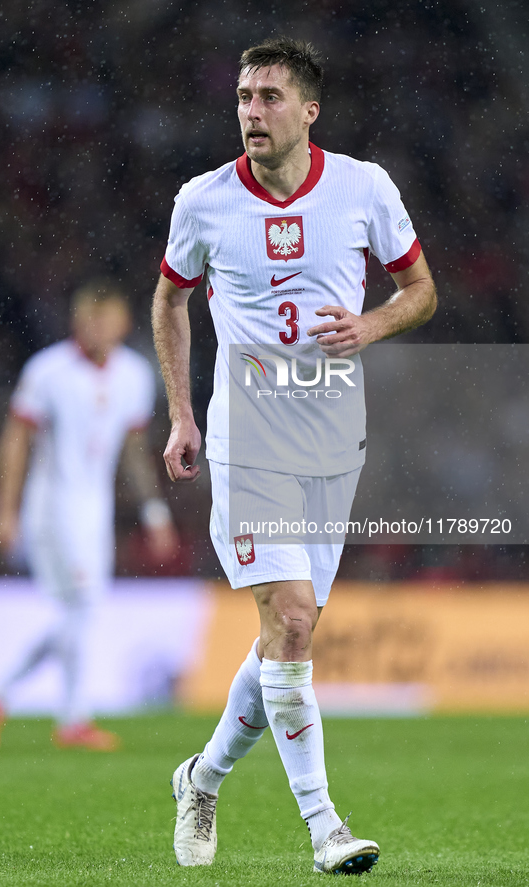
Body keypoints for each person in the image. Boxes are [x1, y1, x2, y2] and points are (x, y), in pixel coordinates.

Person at [152, 37, 436, 875]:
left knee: (285, 637)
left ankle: (199, 778)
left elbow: (420, 291)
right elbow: (170, 298)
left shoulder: (363, 189)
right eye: (243, 96)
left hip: (330, 437)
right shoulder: (203, 201)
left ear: (308, 110)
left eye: (269, 97)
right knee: (293, 620)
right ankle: (325, 828)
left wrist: (369, 325)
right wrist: (179, 414)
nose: (251, 112)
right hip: (247, 435)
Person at [0, 279, 177, 750]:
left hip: (95, 509)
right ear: (76, 322)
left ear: (124, 323)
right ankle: (71, 719)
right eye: (89, 319)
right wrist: (6, 509)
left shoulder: (134, 375)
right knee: (82, 606)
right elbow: (16, 440)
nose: (97, 328)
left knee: (79, 611)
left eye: (106, 319)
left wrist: (154, 512)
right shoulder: (48, 371)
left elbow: (132, 450)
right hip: (51, 506)